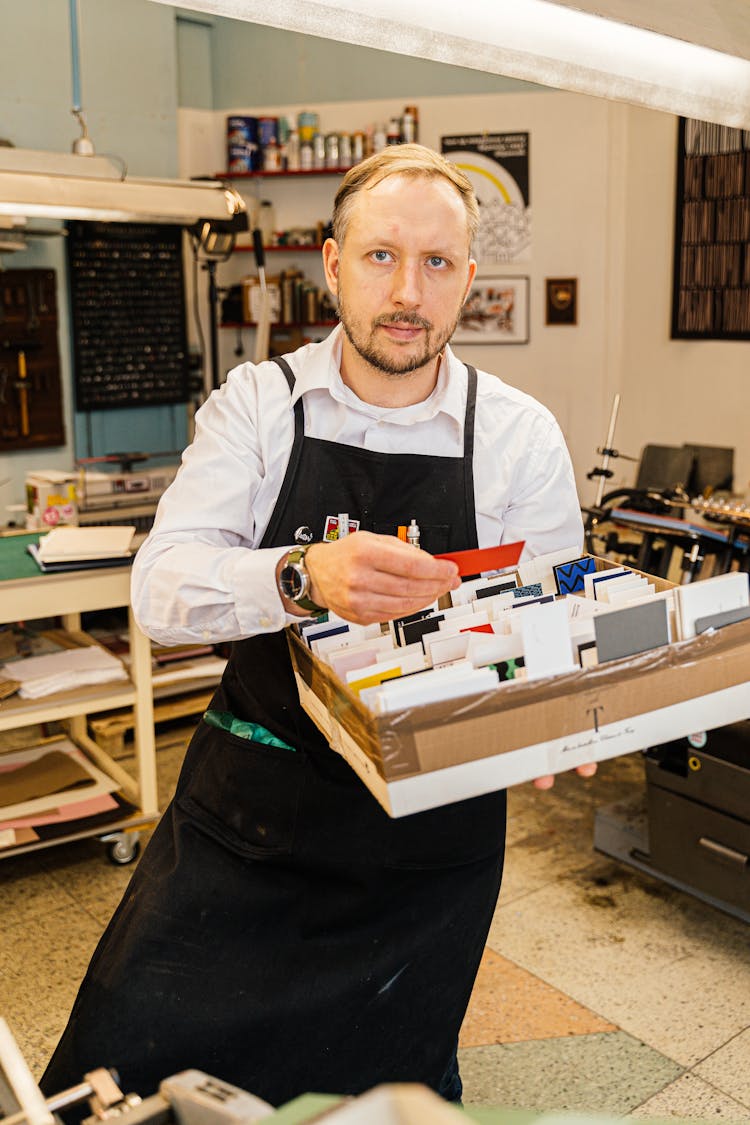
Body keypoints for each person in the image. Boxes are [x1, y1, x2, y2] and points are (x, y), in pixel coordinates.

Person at [42, 144, 592, 1112]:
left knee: (380, 1092)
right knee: (124, 1078)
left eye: (436, 264)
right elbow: (161, 589)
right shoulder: (259, 408)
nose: (408, 291)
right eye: (381, 257)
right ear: (331, 266)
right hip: (247, 819)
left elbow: (555, 622)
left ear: (468, 279)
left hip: (430, 839)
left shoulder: (518, 438)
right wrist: (302, 576)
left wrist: (564, 709)